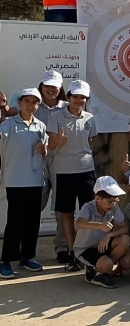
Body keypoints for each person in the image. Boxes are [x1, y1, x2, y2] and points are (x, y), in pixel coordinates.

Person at [47, 80, 98, 272]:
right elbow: (50, 146)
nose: (78, 100)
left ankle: (86, 251)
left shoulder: (90, 118)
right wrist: (58, 141)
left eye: (82, 97)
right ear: (68, 97)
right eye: (75, 96)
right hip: (64, 172)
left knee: (88, 213)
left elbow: (90, 143)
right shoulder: (55, 117)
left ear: (86, 99)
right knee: (67, 214)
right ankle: (72, 253)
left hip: (86, 171)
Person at [0, 88, 48, 280]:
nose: (30, 105)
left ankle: (27, 257)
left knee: (32, 222)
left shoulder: (40, 125)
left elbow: (45, 150)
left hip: (35, 180)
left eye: (34, 102)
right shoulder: (9, 124)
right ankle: (6, 260)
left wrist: (44, 150)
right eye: (26, 101)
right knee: (15, 222)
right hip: (15, 180)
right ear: (19, 103)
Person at [35, 70, 68, 263]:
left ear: (60, 88)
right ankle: (25, 246)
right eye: (47, 86)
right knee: (34, 204)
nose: (50, 90)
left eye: (54, 86)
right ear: (41, 87)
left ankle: (62, 247)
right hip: (37, 161)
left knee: (61, 207)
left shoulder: (67, 107)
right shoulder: (34, 105)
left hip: (62, 161)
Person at [74, 176, 130, 289]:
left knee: (125, 239)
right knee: (107, 265)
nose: (112, 205)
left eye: (115, 201)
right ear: (98, 198)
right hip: (86, 248)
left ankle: (100, 272)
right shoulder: (88, 207)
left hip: (104, 244)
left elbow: (124, 228)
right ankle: (101, 268)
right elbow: (79, 223)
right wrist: (101, 226)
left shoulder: (114, 207)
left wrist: (109, 235)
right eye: (109, 201)